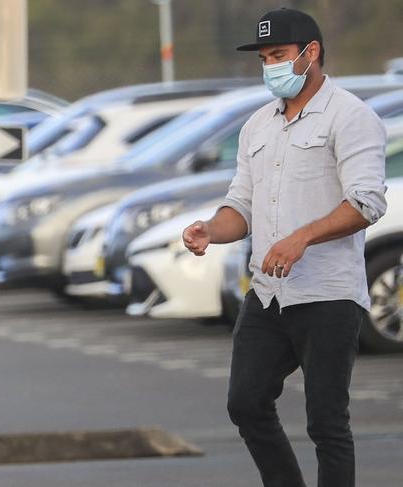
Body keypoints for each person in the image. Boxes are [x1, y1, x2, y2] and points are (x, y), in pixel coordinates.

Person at [182, 7, 386, 487]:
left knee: (326, 423)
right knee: (246, 403)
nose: (269, 65)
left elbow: (367, 203)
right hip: (269, 293)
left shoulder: (351, 117)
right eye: (264, 57)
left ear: (310, 53)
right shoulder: (258, 125)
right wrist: (211, 229)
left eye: (279, 55)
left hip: (328, 294)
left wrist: (302, 237)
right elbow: (241, 206)